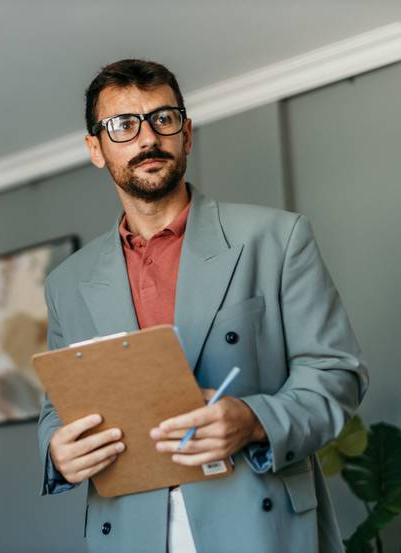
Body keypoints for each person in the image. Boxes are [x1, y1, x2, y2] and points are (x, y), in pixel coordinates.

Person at [36, 59, 368, 553]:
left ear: (186, 134)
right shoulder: (66, 283)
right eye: (123, 126)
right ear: (95, 149)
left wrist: (255, 420)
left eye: (163, 119)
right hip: (128, 530)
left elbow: (336, 374)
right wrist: (56, 452)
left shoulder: (276, 238)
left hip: (259, 522)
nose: (147, 138)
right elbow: (56, 410)